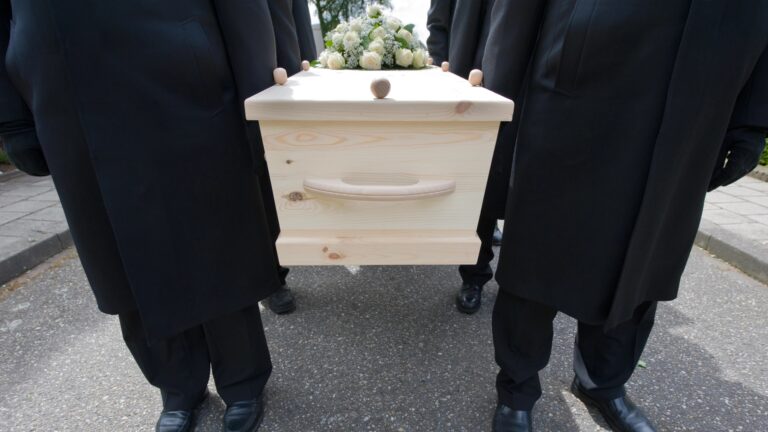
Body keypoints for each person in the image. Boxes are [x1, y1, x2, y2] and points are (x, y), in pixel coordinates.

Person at [0, 1, 286, 431]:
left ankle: (242, 378)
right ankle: (176, 384)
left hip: (177, 74)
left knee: (211, 233)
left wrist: (256, 88)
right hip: (65, 90)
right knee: (119, 248)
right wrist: (13, 121)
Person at [483, 1, 768, 431]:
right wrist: (499, 91)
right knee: (545, 243)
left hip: (698, 91)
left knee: (644, 253)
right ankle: (518, 385)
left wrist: (751, 124)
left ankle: (603, 380)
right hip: (581, 75)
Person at [427, 0, 510, 314]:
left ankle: (498, 276)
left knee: (505, 178)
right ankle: (474, 274)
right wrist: (439, 72)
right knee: (475, 178)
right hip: (466, 70)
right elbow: (439, 22)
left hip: (520, 69)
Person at [262, 0, 318, 315]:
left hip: (284, 47)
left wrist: (304, 67)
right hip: (249, 51)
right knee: (262, 176)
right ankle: (272, 275)